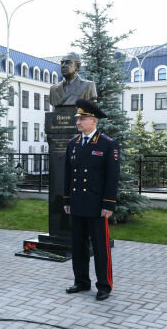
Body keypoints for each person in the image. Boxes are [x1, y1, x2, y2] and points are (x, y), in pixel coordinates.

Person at [63, 99, 120, 301]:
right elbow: (68, 174)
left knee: (100, 247)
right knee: (78, 245)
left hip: (97, 206)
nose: (78, 122)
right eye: (78, 118)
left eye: (82, 118)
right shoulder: (73, 144)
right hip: (78, 203)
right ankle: (81, 281)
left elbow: (112, 178)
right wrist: (67, 200)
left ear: (94, 121)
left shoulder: (107, 144)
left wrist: (108, 204)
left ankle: (104, 285)